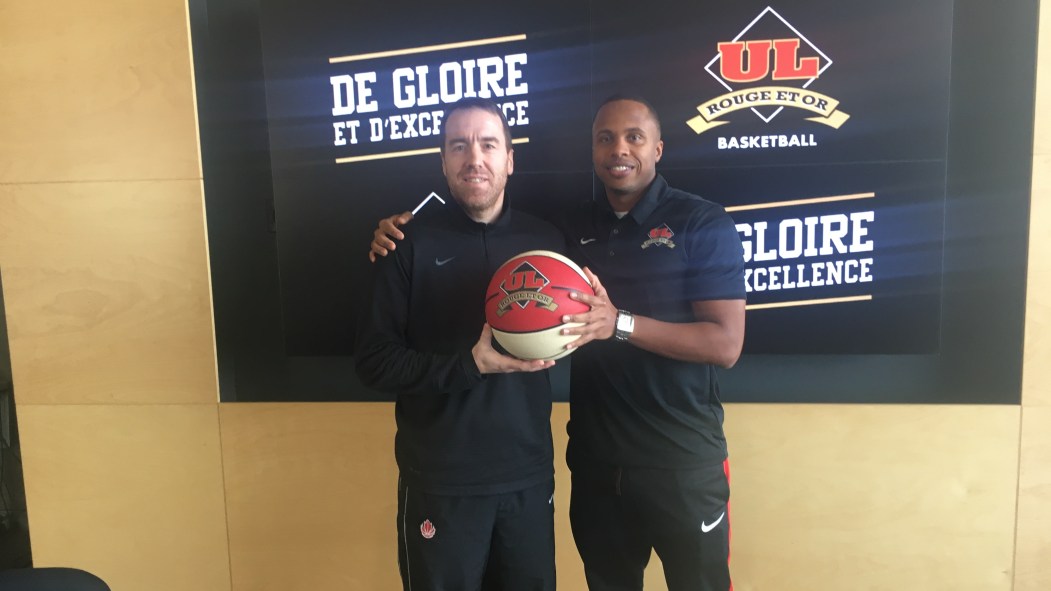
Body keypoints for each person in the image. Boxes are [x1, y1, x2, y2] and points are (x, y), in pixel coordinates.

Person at [370, 95, 746, 591]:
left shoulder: (692, 222)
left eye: (634, 137)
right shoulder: (559, 231)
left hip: (673, 461)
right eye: (459, 146)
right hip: (579, 467)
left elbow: (726, 344)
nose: (619, 149)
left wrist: (620, 323)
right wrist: (395, 232)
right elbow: (376, 360)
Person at [354, 97, 565, 591]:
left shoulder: (548, 244)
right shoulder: (404, 244)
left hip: (527, 478)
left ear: (510, 160)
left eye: (488, 145)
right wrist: (469, 365)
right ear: (444, 163)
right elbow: (374, 362)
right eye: (459, 146)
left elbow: (582, 323)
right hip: (441, 482)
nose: (474, 158)